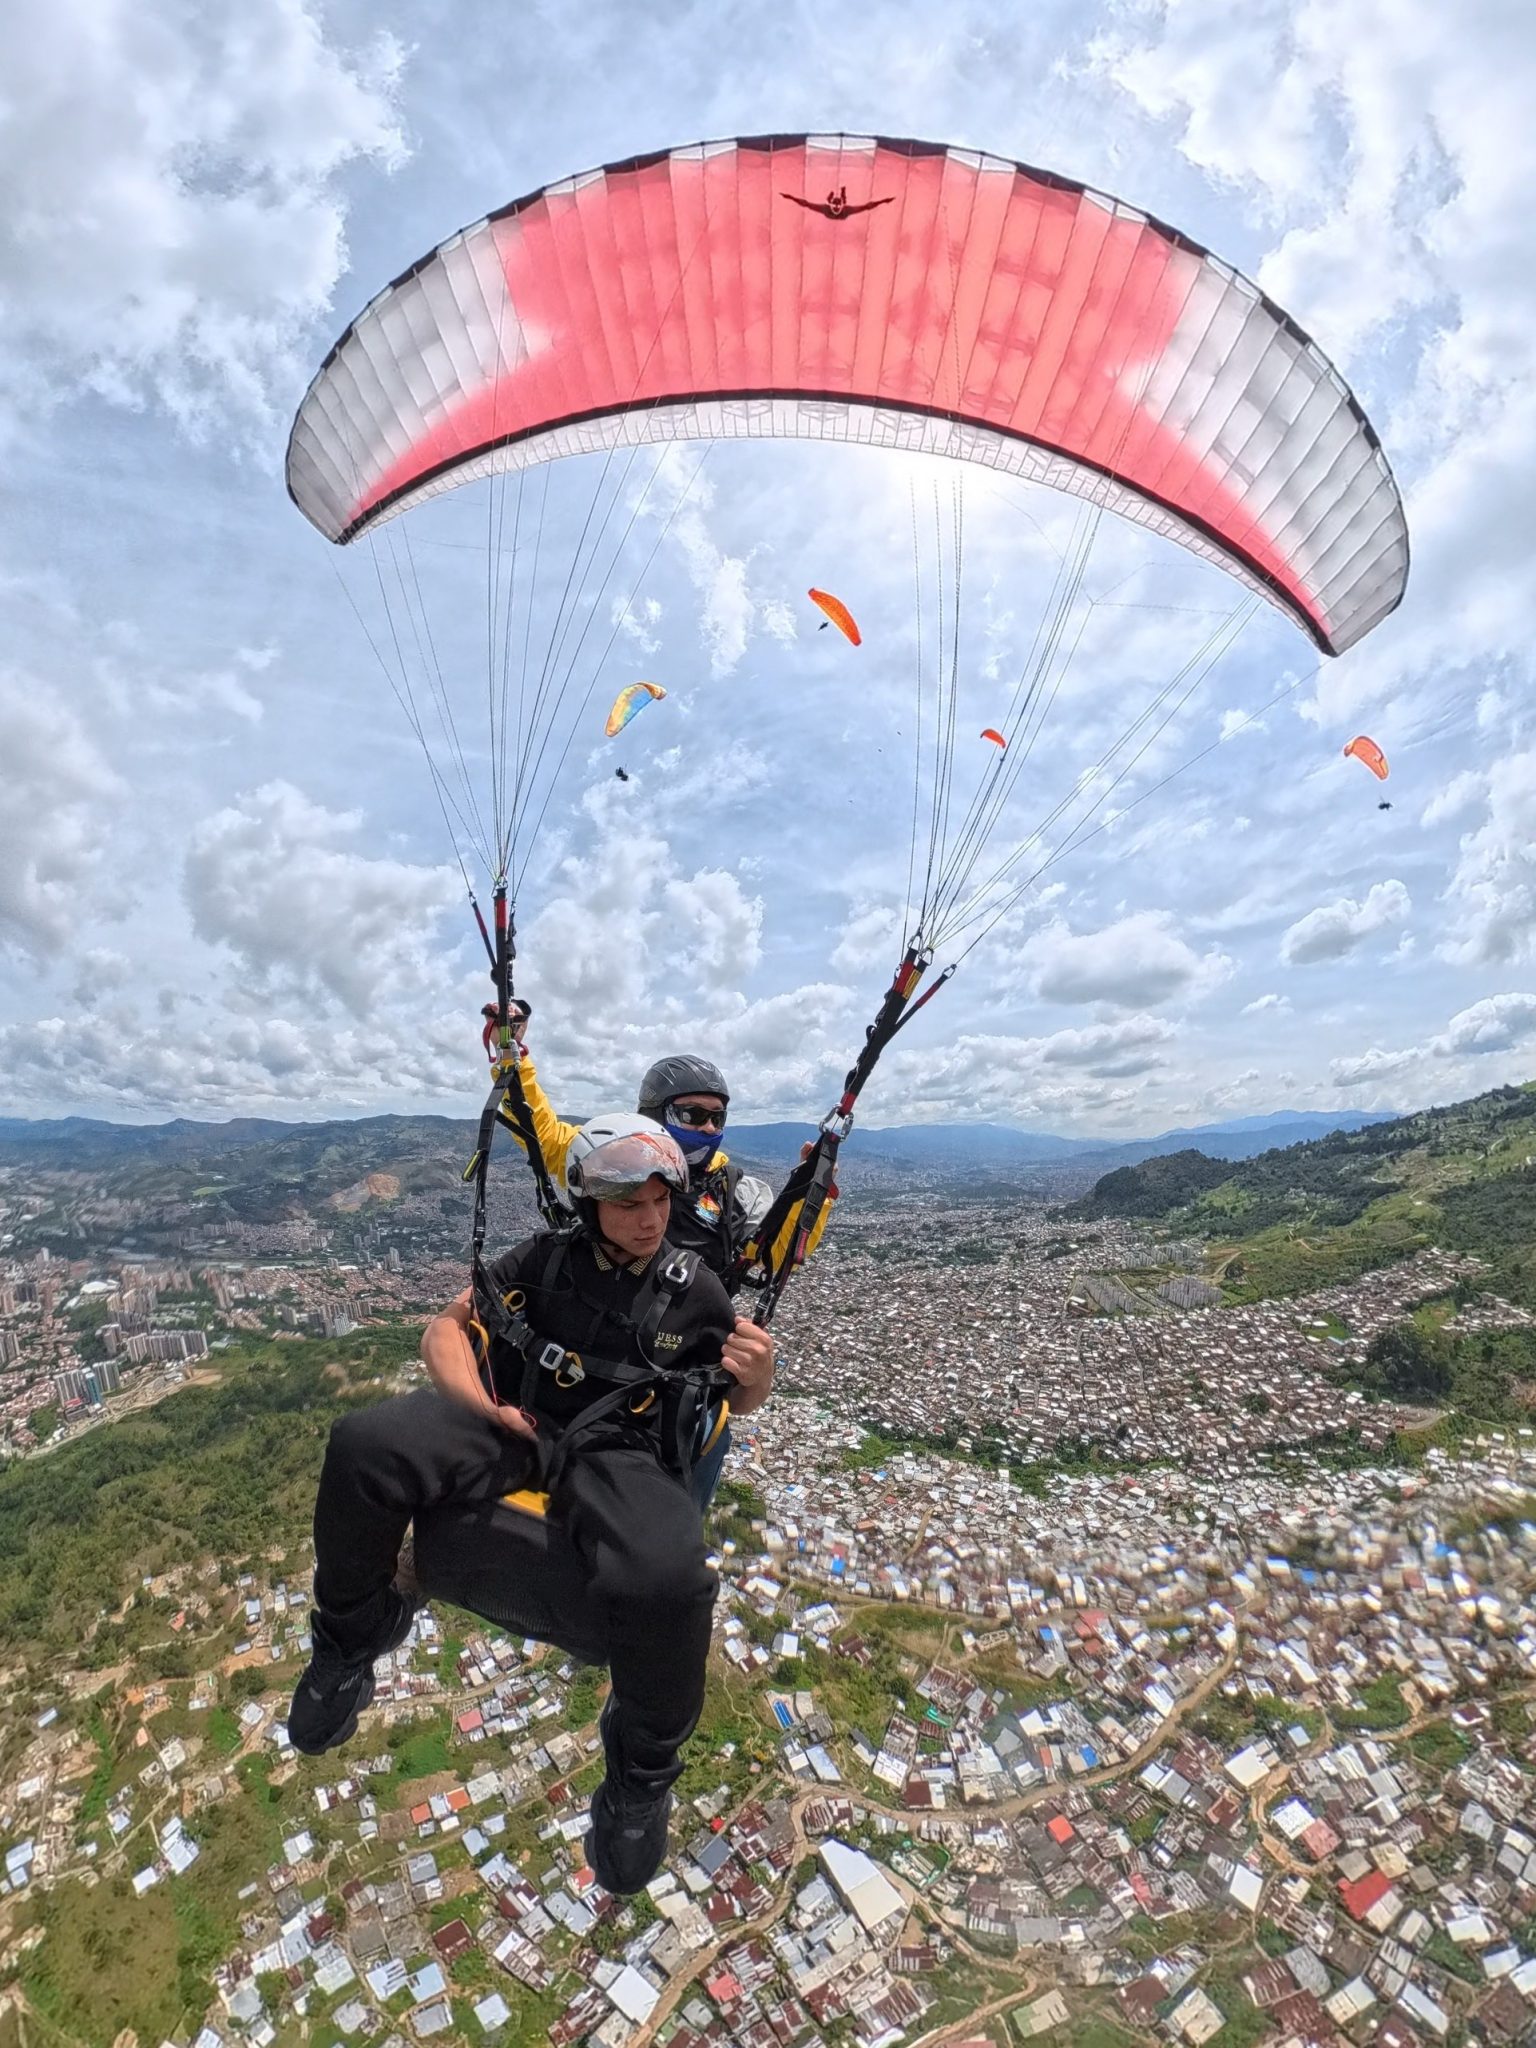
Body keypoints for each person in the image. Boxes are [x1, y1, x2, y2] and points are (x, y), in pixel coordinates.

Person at [288, 1115, 774, 1895]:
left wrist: (758, 1373)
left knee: (674, 1576)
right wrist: (480, 1408)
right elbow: (445, 1332)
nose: (650, 1220)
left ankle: (640, 1782)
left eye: (660, 1202)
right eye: (629, 1204)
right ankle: (348, 1643)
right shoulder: (543, 1263)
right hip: (513, 1424)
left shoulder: (694, 1291)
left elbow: (732, 1404)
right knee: (364, 1445)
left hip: (620, 1455)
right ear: (589, 1204)